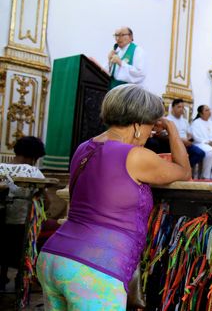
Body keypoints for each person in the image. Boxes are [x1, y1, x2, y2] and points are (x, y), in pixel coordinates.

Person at [37, 84, 191, 309]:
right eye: (151, 126)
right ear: (138, 124)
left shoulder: (84, 148)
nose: (150, 134)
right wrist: (172, 130)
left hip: (54, 257)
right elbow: (184, 171)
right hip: (94, 269)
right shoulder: (136, 155)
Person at [0, 136, 46, 290]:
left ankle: (2, 275)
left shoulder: (0, 168)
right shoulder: (33, 172)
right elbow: (45, 202)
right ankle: (23, 277)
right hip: (21, 230)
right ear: (34, 157)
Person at [167, 99, 205, 168]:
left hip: (186, 144)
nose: (181, 109)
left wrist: (189, 139)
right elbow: (167, 135)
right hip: (174, 144)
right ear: (173, 107)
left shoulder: (184, 121)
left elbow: (189, 133)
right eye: (179, 107)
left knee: (200, 153)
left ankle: (186, 168)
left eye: (182, 107)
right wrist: (181, 140)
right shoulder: (168, 120)